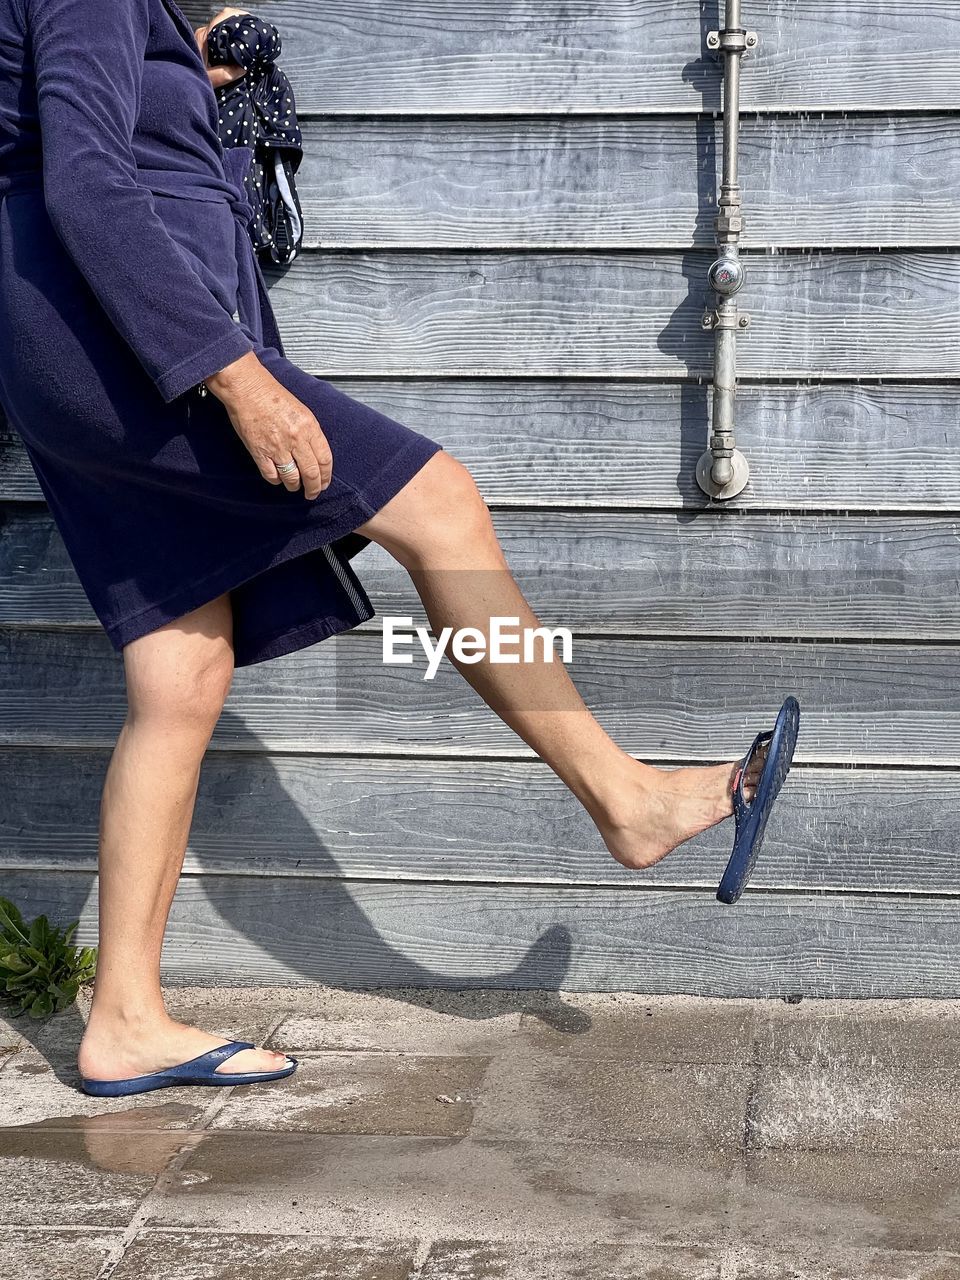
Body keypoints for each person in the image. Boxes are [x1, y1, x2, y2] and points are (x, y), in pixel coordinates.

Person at [0, 0, 769, 1091]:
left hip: (70, 334)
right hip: (117, 340)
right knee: (439, 504)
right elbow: (87, 180)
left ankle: (124, 1014)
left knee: (181, 667)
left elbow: (88, 126)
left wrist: (185, 74)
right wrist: (236, 373)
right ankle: (626, 800)